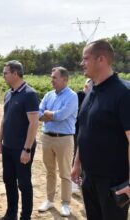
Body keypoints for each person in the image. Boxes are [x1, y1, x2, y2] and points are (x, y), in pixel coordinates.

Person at [71, 39, 130, 220]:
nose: (82, 63)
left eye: (86, 58)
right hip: (89, 178)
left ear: (101, 59)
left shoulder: (123, 93)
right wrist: (77, 164)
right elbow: (86, 131)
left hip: (114, 182)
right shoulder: (90, 91)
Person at [0, 60, 39, 220]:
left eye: (5, 73)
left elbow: (34, 123)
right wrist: (0, 140)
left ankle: (25, 216)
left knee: (24, 184)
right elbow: (5, 119)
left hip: (22, 148)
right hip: (8, 147)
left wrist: (27, 149)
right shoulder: (9, 93)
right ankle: (11, 213)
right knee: (9, 180)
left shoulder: (29, 94)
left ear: (15, 73)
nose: (3, 76)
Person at [37, 67, 78, 217]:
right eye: (51, 77)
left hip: (64, 139)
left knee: (65, 173)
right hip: (47, 137)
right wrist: (48, 114)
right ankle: (49, 199)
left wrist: (49, 114)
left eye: (55, 77)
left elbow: (62, 115)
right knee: (49, 171)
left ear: (65, 79)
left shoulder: (72, 96)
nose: (51, 80)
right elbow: (39, 113)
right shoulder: (48, 95)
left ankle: (65, 203)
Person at [71, 78, 91, 194]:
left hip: (86, 132)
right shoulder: (80, 95)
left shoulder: (94, 96)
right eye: (89, 85)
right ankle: (74, 184)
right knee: (76, 155)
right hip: (77, 131)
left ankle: (80, 181)